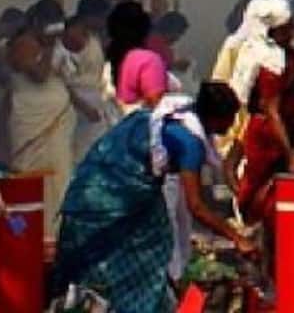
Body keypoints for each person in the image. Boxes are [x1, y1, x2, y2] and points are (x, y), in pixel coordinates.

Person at [50, 83, 252, 312]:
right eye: (230, 118)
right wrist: (236, 238)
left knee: (158, 234)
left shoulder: (174, 116)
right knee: (148, 250)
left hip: (102, 186)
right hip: (112, 197)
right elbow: (196, 206)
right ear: (216, 118)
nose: (232, 125)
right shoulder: (189, 144)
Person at [230, 0, 294, 247]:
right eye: (286, 28)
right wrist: (289, 153)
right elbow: (272, 111)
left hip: (289, 133)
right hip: (269, 138)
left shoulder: (290, 56)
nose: (292, 32)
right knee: (263, 194)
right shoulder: (269, 65)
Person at [6, 0, 79, 229]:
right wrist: (49, 46)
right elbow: (39, 75)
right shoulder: (24, 43)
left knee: (60, 177)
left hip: (58, 124)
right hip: (32, 122)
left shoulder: (55, 45)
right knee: (35, 178)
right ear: (37, 22)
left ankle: (56, 230)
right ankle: (37, 231)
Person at [63, 0, 114, 160]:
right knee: (81, 151)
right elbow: (63, 79)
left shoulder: (93, 36)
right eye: (102, 18)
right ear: (91, 16)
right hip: (78, 100)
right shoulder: (72, 36)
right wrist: (83, 106)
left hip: (94, 96)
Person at [109, 0, 171, 114]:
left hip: (117, 117)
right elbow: (156, 103)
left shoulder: (112, 52)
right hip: (142, 120)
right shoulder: (148, 59)